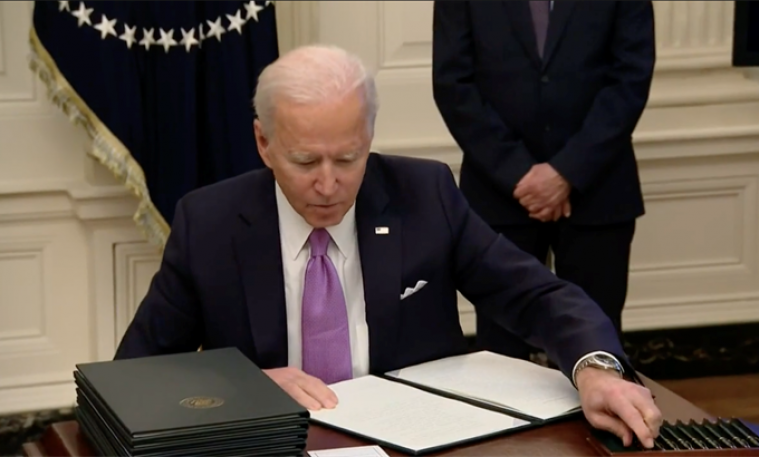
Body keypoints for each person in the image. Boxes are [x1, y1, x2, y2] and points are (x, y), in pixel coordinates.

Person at [115, 44, 662, 448]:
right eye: (305, 161)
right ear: (264, 142)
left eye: (347, 158)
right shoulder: (209, 223)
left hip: (415, 444)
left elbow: (537, 296)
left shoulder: (425, 195)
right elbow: (130, 376)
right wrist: (242, 388)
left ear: (369, 138)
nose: (328, 184)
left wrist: (596, 368)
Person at [431, 1, 655, 361]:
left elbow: (631, 78)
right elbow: (452, 84)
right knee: (501, 355)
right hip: (499, 194)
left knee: (596, 343)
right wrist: (518, 173)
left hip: (597, 191)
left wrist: (567, 171)